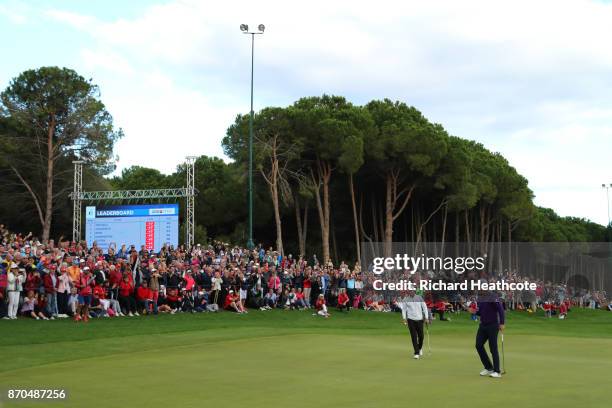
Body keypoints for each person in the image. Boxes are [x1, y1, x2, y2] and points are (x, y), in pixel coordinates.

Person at [475, 293, 505, 378]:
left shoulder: (492, 296)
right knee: (478, 345)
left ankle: (497, 371)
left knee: (493, 348)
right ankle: (488, 367)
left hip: (493, 325)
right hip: (483, 325)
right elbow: (481, 312)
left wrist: (502, 323)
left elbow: (500, 309)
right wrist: (474, 311)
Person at [400, 290, 430, 359]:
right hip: (411, 320)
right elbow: (404, 309)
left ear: (414, 291)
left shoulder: (419, 298)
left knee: (421, 336)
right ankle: (416, 353)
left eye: (412, 291)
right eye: (409, 291)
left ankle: (419, 348)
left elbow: (424, 307)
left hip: (419, 319)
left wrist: (426, 317)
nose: (411, 292)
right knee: (414, 336)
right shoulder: (405, 299)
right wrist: (404, 318)